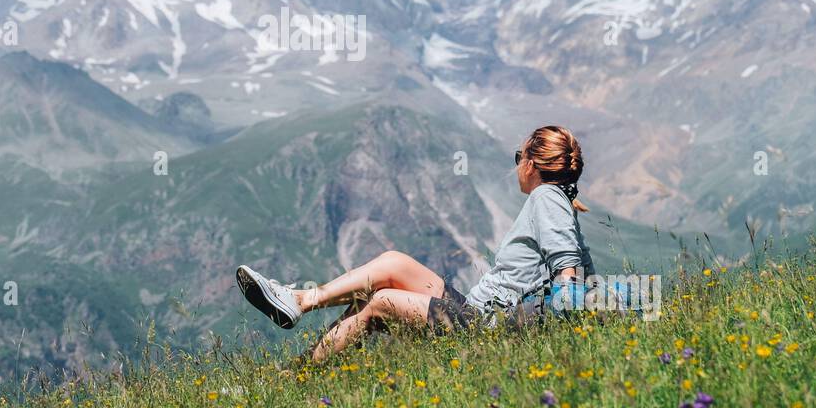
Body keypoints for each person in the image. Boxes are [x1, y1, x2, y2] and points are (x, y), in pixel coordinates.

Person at [236, 124, 595, 362]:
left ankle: (299, 374)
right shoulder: (555, 198)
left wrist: (554, 327)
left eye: (519, 158)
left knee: (381, 302)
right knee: (394, 263)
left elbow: (567, 266)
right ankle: (299, 302)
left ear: (531, 163)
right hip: (477, 310)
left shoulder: (547, 198)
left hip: (487, 325)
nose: (517, 166)